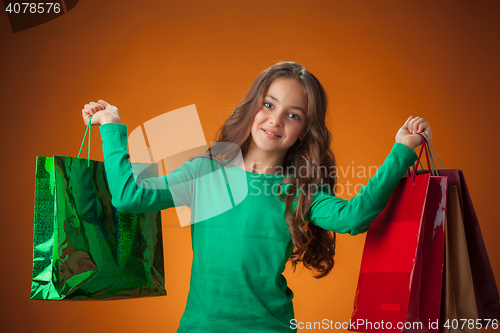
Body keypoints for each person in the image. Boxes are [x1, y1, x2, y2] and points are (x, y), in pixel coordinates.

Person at [81, 61, 432, 332]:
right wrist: (112, 127)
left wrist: (401, 151)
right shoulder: (206, 172)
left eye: (292, 115)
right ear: (253, 107)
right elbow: (129, 197)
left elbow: (353, 217)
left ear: (303, 132)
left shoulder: (299, 191)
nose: (275, 120)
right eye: (268, 104)